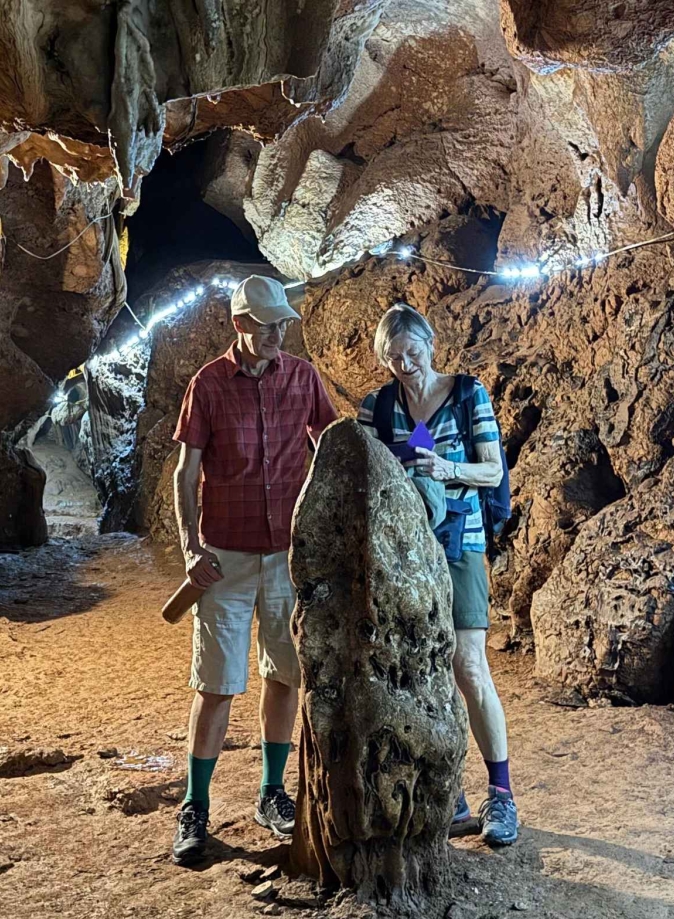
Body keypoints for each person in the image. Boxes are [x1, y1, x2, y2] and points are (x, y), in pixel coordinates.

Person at [169, 274, 340, 864]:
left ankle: (272, 791)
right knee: (216, 685)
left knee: (285, 675)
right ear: (241, 324)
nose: (278, 334)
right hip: (226, 560)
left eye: (283, 324)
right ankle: (195, 804)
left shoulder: (303, 378)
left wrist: (416, 438)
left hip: (289, 557)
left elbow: (336, 444)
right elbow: (186, 473)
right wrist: (191, 547)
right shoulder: (208, 384)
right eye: (268, 325)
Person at [358, 303, 519, 846]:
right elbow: (364, 472)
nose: (406, 365)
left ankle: (501, 795)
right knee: (419, 669)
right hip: (403, 550)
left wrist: (447, 468)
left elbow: (492, 469)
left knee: (468, 665)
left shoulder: (468, 394)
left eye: (413, 353)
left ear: (431, 344)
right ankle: (450, 794)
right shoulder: (378, 407)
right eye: (394, 357)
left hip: (460, 541)